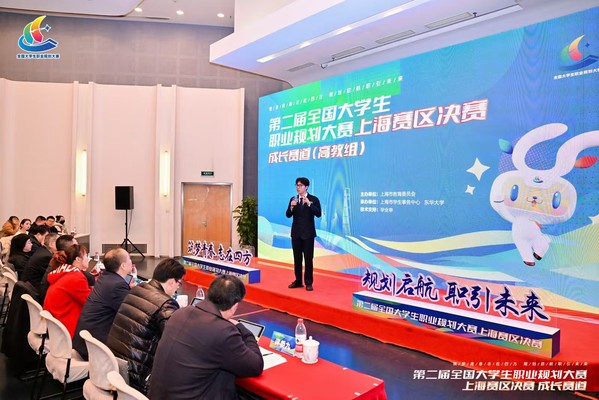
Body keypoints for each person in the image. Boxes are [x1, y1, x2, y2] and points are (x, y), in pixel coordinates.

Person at [149, 275, 263, 400]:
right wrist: (243, 330)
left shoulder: (180, 313)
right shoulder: (223, 331)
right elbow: (255, 366)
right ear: (234, 306)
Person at [107, 258, 185, 395]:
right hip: (137, 377)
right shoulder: (166, 304)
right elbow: (176, 340)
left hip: (115, 366)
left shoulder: (137, 288)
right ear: (172, 281)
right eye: (179, 283)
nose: (177, 287)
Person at [73, 248, 133, 360]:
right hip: (95, 347)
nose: (131, 261)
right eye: (129, 259)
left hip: (85, 340)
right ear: (123, 266)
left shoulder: (105, 278)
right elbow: (130, 313)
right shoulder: (118, 285)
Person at [43, 244, 92, 338]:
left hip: (56, 324)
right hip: (66, 328)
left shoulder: (63, 271)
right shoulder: (76, 278)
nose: (88, 259)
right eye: (86, 256)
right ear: (78, 259)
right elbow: (90, 303)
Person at [285, 177, 321, 291]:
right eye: (297, 185)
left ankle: (308, 282)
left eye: (300, 185)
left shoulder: (313, 199)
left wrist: (309, 204)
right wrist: (291, 207)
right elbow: (288, 215)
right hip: (296, 234)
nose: (298, 187)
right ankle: (298, 281)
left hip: (308, 234)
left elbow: (318, 213)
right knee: (297, 259)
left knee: (308, 259)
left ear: (306, 187)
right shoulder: (293, 199)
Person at [38, 234, 78, 302]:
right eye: (75, 246)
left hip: (49, 296)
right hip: (51, 299)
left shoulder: (58, 257)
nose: (78, 249)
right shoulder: (61, 260)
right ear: (70, 249)